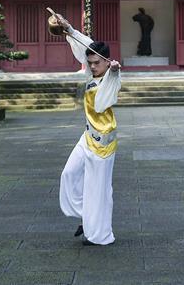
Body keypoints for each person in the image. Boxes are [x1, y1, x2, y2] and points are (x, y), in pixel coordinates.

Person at [55, 14, 122, 246]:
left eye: (97, 63)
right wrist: (69, 29)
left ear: (106, 61)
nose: (92, 66)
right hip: (87, 137)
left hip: (103, 144)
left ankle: (98, 234)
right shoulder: (91, 72)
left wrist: (114, 70)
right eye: (90, 63)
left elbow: (114, 81)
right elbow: (83, 43)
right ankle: (86, 215)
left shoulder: (111, 78)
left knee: (99, 190)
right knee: (69, 175)